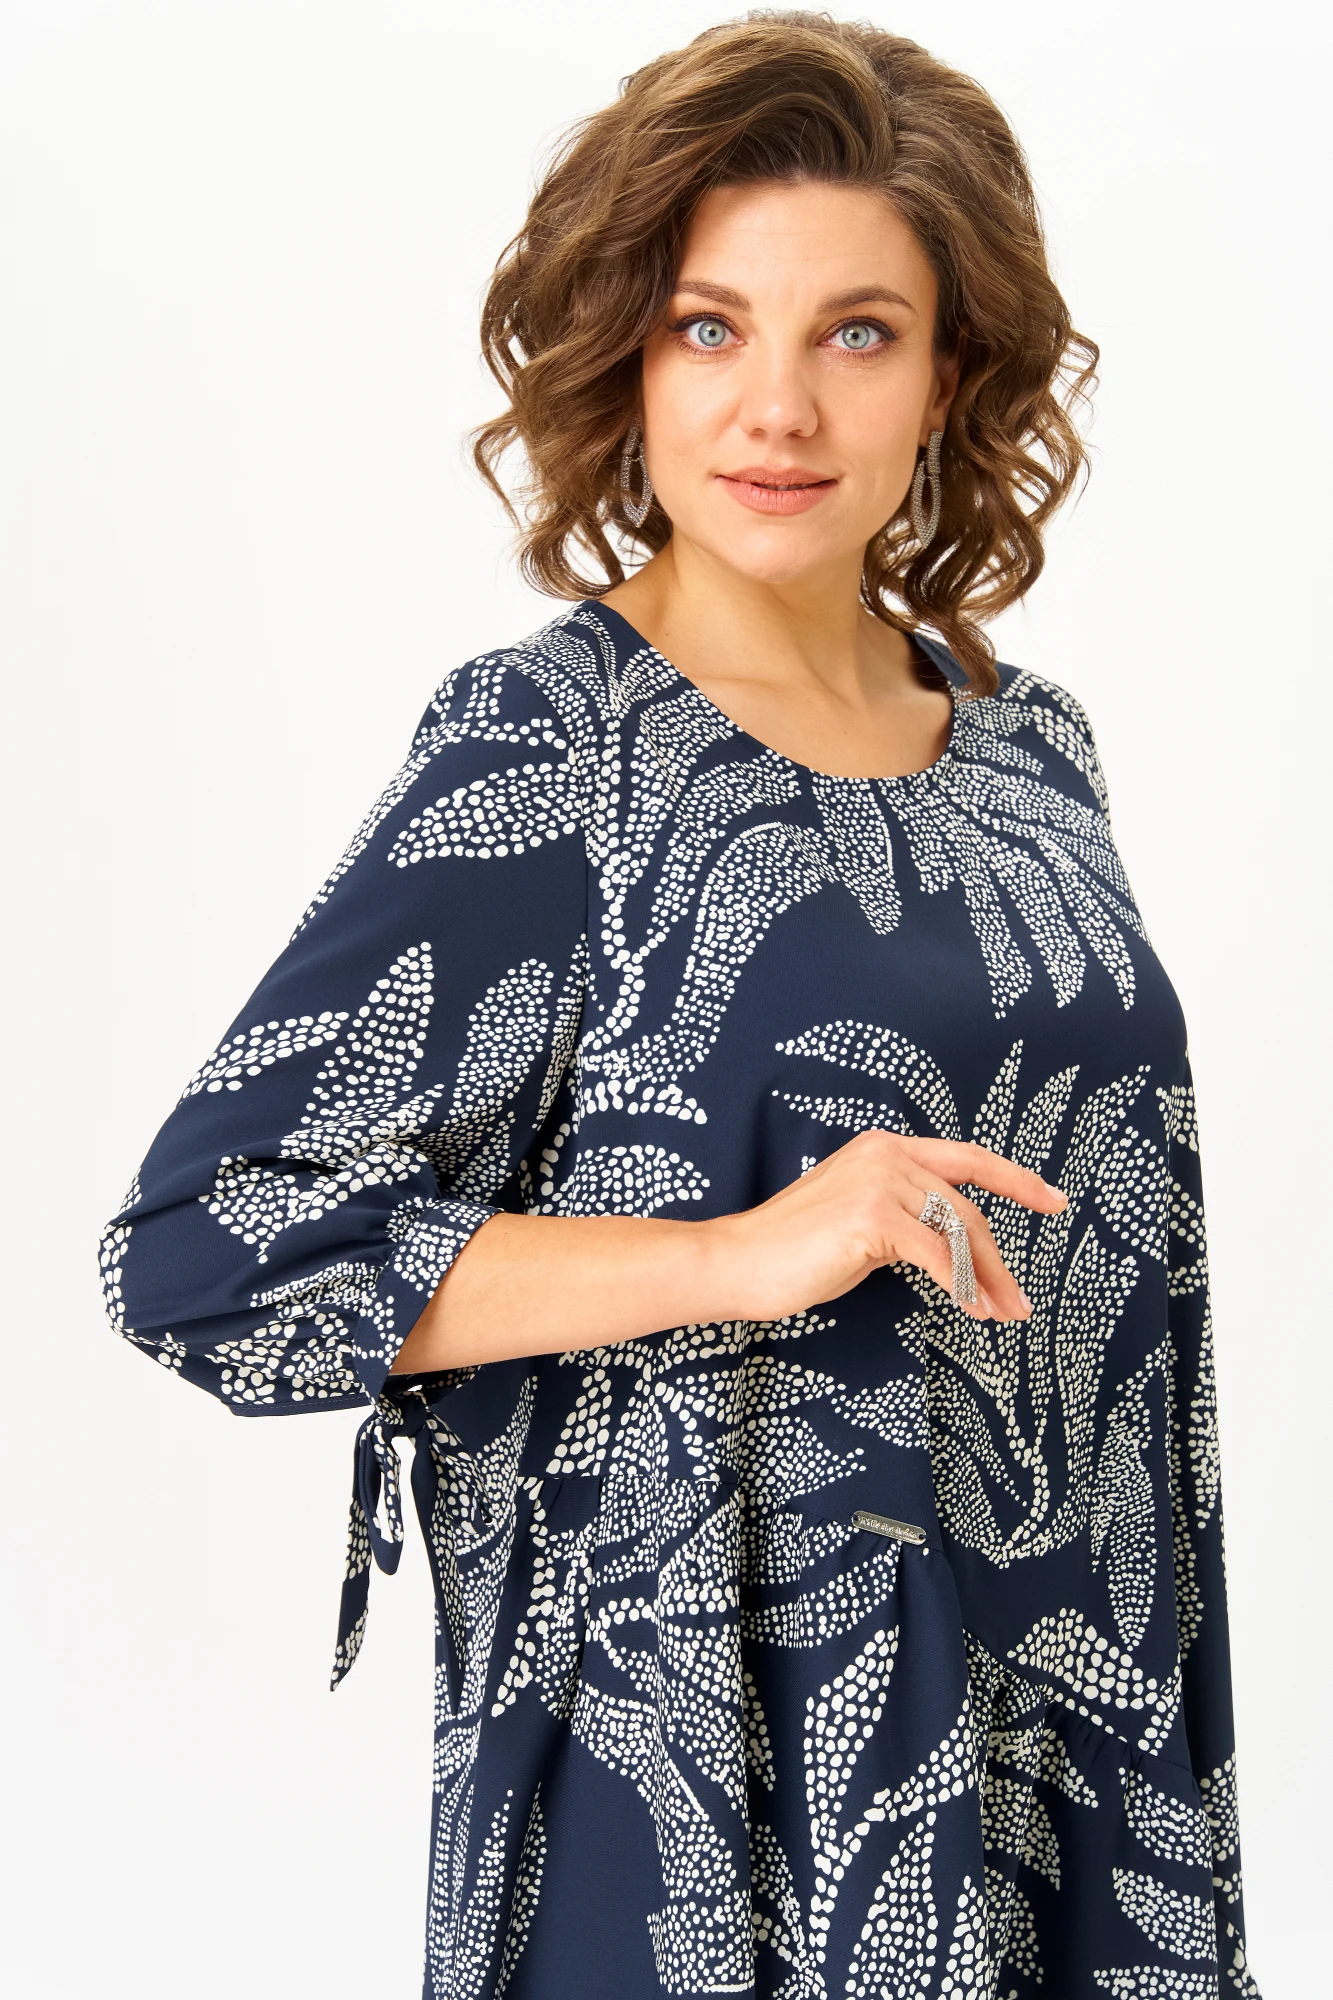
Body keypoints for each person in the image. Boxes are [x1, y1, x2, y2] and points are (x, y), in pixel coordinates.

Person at [98, 14, 1261, 1997]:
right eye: (710, 328)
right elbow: (205, 1251)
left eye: (857, 333)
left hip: (1075, 1778)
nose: (778, 407)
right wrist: (741, 1250)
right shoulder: (553, 746)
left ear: (948, 376)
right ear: (625, 361)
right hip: (708, 1824)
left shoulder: (1032, 748)